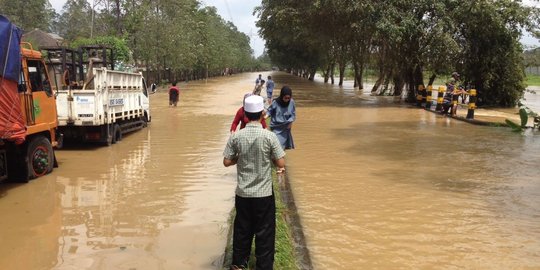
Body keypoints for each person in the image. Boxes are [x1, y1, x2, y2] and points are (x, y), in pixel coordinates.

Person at [223, 95, 286, 270]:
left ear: (245, 114)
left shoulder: (237, 137)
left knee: (242, 230)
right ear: (262, 113)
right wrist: (270, 158)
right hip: (263, 194)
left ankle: (238, 264)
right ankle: (263, 266)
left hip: (243, 193)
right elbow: (281, 163)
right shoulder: (269, 136)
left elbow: (227, 161)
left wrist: (239, 157)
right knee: (264, 232)